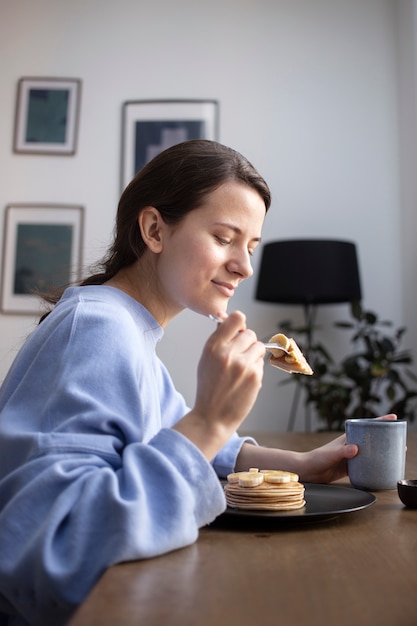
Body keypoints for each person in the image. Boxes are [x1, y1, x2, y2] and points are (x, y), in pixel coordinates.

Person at [0, 140, 395, 626]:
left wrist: (302, 466)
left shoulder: (127, 328)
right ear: (154, 230)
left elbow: (177, 434)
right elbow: (56, 549)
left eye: (250, 247)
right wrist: (212, 416)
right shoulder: (99, 329)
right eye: (225, 237)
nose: (245, 266)